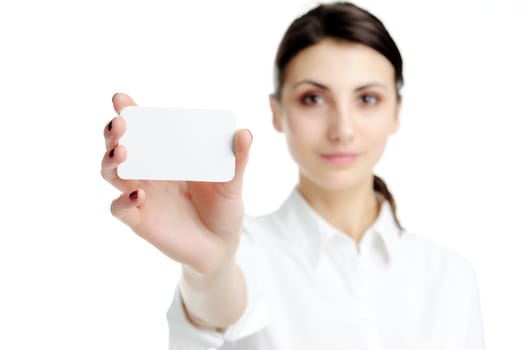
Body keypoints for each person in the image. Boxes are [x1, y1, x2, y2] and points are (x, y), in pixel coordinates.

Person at [101, 2, 485, 349]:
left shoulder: (449, 277)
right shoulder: (244, 249)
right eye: (312, 99)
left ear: (397, 112)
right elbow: (220, 305)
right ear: (276, 111)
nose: (342, 129)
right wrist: (212, 267)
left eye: (367, 98)